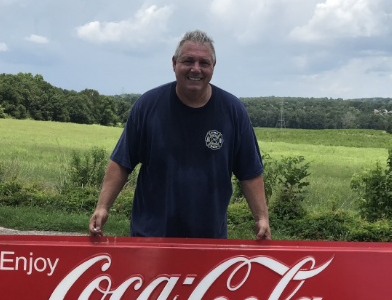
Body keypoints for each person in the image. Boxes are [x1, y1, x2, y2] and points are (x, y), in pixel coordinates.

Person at [89, 29, 271, 240]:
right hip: (151, 237)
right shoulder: (148, 106)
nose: (196, 69)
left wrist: (261, 218)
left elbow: (250, 172)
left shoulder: (233, 111)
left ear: (213, 67)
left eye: (204, 63)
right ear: (174, 63)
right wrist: (103, 207)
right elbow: (122, 162)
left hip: (209, 239)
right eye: (188, 61)